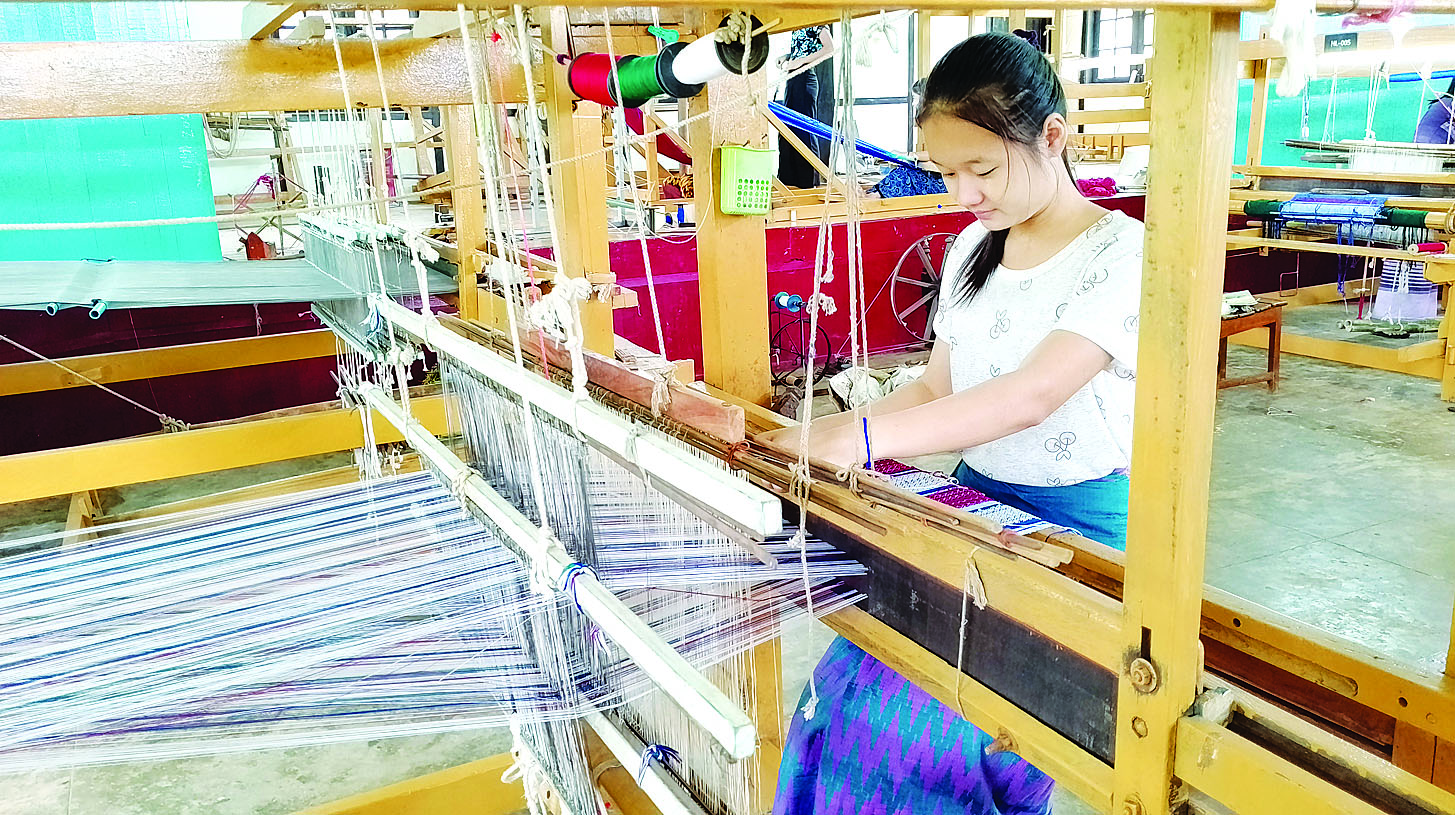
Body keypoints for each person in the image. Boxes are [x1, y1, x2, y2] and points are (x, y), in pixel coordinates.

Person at [764, 32, 1146, 814]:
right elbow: (934, 386)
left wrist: (858, 439)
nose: (963, 193)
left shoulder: (1121, 252)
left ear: (1051, 137)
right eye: (945, 172)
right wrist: (809, 441)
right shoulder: (974, 246)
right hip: (972, 511)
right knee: (834, 709)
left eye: (982, 168)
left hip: (1071, 538)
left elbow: (1031, 395)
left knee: (933, 742)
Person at [777, 25, 835, 188]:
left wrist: (800, 61)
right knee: (788, 129)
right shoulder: (797, 24)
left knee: (804, 131)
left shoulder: (817, 22)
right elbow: (805, 48)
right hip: (793, 78)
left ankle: (808, 182)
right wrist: (788, 57)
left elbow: (829, 48)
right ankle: (789, 181)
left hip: (805, 78)